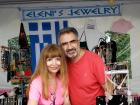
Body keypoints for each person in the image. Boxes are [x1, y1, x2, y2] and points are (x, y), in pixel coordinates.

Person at [58, 27, 113, 105]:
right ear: (61, 47)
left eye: (72, 42)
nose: (69, 47)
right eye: (64, 44)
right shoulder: (62, 63)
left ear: (78, 42)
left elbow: (109, 88)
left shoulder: (94, 60)